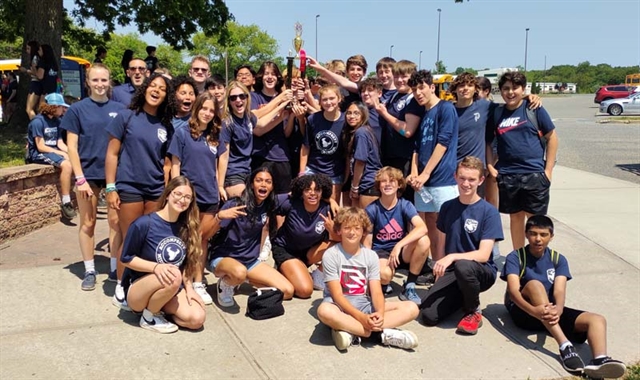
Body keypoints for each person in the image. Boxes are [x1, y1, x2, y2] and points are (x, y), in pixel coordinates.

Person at [501, 215, 626, 378]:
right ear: (526, 234)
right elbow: (513, 291)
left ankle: (599, 361)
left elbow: (559, 291)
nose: (538, 239)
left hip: (550, 313)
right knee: (535, 285)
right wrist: (533, 311)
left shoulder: (558, 259)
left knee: (597, 320)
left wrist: (558, 309)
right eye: (533, 233)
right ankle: (565, 346)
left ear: (551, 237)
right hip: (524, 310)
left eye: (543, 234)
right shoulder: (516, 257)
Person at [105, 73, 175, 304]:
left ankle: (142, 286)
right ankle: (122, 286)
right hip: (129, 187)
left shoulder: (166, 125)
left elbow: (166, 163)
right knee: (130, 238)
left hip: (155, 190)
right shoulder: (127, 116)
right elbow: (112, 154)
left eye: (162, 89)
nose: (156, 91)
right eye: (152, 86)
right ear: (144, 89)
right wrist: (111, 187)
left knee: (149, 242)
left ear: (167, 96)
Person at [60, 63, 127, 293]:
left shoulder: (120, 108)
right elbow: (71, 146)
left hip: (113, 177)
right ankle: (89, 269)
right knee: (88, 223)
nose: (100, 84)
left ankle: (112, 266)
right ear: (87, 82)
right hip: (86, 175)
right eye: (95, 80)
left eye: (104, 80)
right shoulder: (77, 110)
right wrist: (79, 179)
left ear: (110, 82)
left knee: (116, 223)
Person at [419, 156, 503, 335]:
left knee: (464, 267)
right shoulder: (448, 207)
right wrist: (439, 270)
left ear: (481, 180)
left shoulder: (489, 212)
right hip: (453, 270)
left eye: (472, 179)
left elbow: (483, 254)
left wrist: (452, 257)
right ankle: (463, 296)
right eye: (462, 178)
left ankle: (473, 310)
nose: (466, 183)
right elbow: (441, 242)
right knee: (428, 315)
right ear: (455, 177)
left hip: (480, 270)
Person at [316, 207, 419, 352]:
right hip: (338, 305)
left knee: (412, 308)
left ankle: (353, 332)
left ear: (364, 231)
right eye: (347, 228)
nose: (352, 232)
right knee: (324, 311)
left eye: (357, 228)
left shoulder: (370, 256)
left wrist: (380, 314)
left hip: (363, 303)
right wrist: (362, 318)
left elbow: (376, 292)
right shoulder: (331, 255)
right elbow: (337, 295)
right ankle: (380, 334)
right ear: (339, 230)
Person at [121, 176, 206, 334]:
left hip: (171, 288)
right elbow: (126, 258)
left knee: (197, 319)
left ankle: (159, 309)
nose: (182, 200)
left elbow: (187, 264)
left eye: (187, 197)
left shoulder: (187, 228)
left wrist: (189, 289)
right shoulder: (144, 224)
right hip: (140, 290)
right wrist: (156, 267)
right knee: (173, 274)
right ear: (168, 194)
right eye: (178, 194)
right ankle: (148, 317)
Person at [486, 72, 558, 250]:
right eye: (506, 88)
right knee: (515, 218)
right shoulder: (497, 113)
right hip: (508, 175)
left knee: (536, 222)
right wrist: (489, 165)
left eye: (515, 88)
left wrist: (548, 171)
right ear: (500, 91)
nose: (510, 92)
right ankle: (519, 257)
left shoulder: (534, 108)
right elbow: (488, 142)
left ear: (523, 89)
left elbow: (552, 138)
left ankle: (538, 259)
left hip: (534, 174)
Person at [169, 92, 229, 305]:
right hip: (188, 196)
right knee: (187, 238)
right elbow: (175, 165)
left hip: (209, 194)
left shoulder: (216, 134)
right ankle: (180, 280)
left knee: (202, 240)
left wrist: (220, 184)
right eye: (204, 108)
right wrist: (175, 192)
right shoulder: (183, 133)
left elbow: (223, 158)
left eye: (211, 110)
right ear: (196, 108)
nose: (207, 113)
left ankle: (197, 281)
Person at [207, 165, 295, 308]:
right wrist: (219, 217)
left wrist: (331, 200)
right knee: (239, 272)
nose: (263, 184)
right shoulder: (236, 204)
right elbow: (206, 235)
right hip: (224, 259)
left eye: (268, 181)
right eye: (259, 180)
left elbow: (298, 192)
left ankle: (239, 280)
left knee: (287, 291)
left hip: (249, 262)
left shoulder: (269, 204)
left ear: (272, 187)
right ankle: (226, 283)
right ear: (251, 184)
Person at [407, 70, 460, 262]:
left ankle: (446, 267)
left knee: (446, 227)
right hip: (424, 183)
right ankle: (437, 264)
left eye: (421, 88)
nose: (418, 93)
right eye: (414, 90)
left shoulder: (445, 108)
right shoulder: (425, 114)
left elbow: (443, 143)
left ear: (431, 87)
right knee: (430, 225)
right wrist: (415, 173)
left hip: (442, 180)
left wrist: (426, 173)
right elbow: (417, 147)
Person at [365, 167, 429, 304]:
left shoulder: (405, 205)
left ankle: (410, 286)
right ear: (378, 185)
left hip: (402, 251)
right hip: (381, 251)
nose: (387, 184)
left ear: (399, 184)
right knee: (385, 275)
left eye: (392, 181)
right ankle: (382, 282)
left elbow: (422, 228)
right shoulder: (372, 209)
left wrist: (399, 245)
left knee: (424, 240)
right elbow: (367, 244)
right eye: (383, 181)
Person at [272, 174, 335, 298]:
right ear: (301, 192)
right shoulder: (291, 203)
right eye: (307, 190)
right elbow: (266, 201)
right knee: (305, 291)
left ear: (323, 192)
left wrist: (332, 230)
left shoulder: (328, 208)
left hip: (308, 253)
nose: (312, 193)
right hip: (286, 250)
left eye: (317, 190)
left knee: (340, 243)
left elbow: (346, 236)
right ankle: (283, 269)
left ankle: (316, 275)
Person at [376, 60, 420, 203]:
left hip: (404, 159)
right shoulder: (395, 95)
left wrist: (385, 114)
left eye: (404, 76)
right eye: (396, 76)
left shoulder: (413, 99)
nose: (400, 80)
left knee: (405, 202)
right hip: (390, 156)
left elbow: (408, 131)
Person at [26, 93, 75, 219]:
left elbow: (59, 143)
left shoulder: (57, 121)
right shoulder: (38, 122)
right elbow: (40, 146)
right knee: (67, 165)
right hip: (39, 154)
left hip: (53, 151)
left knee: (75, 159)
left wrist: (71, 152)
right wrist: (61, 153)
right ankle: (66, 202)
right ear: (53, 107)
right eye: (61, 107)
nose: (63, 110)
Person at [249, 61, 294, 195]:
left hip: (280, 155)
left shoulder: (287, 98)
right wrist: (280, 99)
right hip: (259, 155)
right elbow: (256, 127)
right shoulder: (254, 97)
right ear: (260, 77)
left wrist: (291, 116)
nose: (270, 77)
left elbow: (286, 133)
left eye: (273, 74)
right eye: (266, 74)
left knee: (282, 198)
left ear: (278, 77)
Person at [300, 84, 345, 202]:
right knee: (309, 203)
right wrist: (302, 172)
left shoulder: (345, 121)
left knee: (331, 206)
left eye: (332, 98)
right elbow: (305, 147)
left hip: (334, 173)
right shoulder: (313, 119)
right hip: (313, 168)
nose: (328, 102)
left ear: (339, 99)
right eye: (324, 99)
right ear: (319, 102)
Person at [219, 81, 257, 199]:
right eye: (233, 98)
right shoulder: (227, 123)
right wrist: (220, 185)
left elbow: (263, 124)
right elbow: (223, 157)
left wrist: (282, 110)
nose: (238, 100)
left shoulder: (249, 117)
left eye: (242, 96)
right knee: (244, 203)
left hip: (248, 171)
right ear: (229, 102)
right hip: (233, 173)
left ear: (247, 97)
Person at [343, 101, 381, 209]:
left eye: (356, 113)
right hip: (365, 184)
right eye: (349, 113)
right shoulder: (360, 132)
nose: (352, 116)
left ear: (363, 115)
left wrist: (355, 187)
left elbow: (360, 162)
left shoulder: (361, 133)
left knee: (366, 223)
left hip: (368, 184)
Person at [21, 40, 42, 120]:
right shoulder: (39, 58)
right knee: (37, 108)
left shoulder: (35, 58)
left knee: (29, 108)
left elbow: (36, 73)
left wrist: (25, 70)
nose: (27, 51)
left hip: (35, 83)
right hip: (40, 84)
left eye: (28, 49)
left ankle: (35, 125)